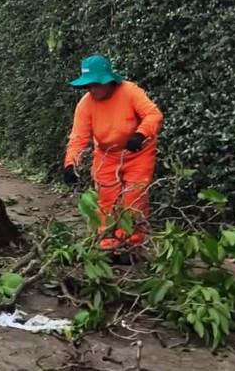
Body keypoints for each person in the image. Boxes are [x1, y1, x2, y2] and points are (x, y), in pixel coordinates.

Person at [63, 55, 164, 262]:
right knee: (106, 201)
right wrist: (70, 163)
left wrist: (141, 134)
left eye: (96, 84)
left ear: (109, 81)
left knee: (133, 199)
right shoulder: (85, 105)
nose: (92, 89)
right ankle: (108, 244)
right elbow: (79, 137)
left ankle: (131, 246)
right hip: (106, 155)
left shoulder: (130, 91)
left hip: (138, 153)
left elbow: (153, 115)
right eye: (88, 85)